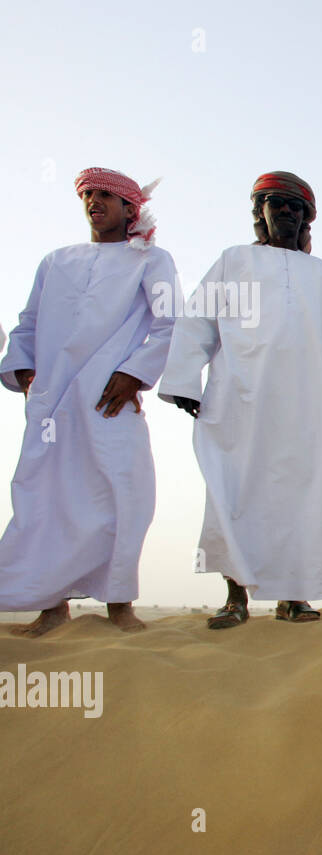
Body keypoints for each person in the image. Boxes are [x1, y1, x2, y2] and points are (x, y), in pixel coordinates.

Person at [159, 171, 322, 628]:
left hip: (313, 407)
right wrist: (183, 380)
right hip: (242, 401)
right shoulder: (233, 261)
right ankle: (235, 597)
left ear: (305, 219)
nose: (284, 212)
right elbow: (197, 319)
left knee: (309, 497)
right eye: (275, 204)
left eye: (294, 207)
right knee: (234, 492)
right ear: (259, 212)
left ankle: (294, 597)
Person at [0, 167, 177, 635]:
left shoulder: (151, 260)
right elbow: (27, 323)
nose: (94, 202)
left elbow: (168, 323)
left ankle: (119, 603)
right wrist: (21, 369)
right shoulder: (56, 260)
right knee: (44, 497)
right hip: (50, 401)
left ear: (129, 207)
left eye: (105, 196)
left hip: (109, 398)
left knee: (123, 491)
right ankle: (50, 605)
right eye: (88, 195)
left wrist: (133, 375)